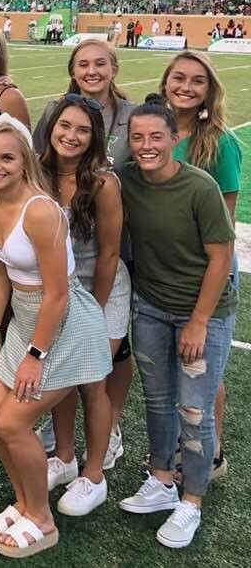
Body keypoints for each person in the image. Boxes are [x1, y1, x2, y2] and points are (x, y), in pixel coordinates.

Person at [0, 115, 111, 559]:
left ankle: (42, 519)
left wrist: (34, 354)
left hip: (62, 322)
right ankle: (23, 502)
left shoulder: (40, 210)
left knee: (14, 422)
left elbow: (57, 294)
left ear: (25, 161)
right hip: (22, 317)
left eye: (7, 158)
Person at [117, 102, 235, 550]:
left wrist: (199, 321)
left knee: (193, 410)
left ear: (172, 140)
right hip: (150, 306)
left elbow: (221, 256)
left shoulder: (199, 186)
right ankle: (162, 480)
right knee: (158, 401)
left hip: (201, 312)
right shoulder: (128, 179)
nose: (147, 146)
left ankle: (192, 501)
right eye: (138, 138)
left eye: (156, 137)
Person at [39, 96, 131, 515]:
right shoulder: (37, 172)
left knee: (91, 381)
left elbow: (110, 254)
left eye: (82, 130)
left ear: (94, 138)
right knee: (59, 376)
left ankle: (94, 476)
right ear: (52, 126)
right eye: (65, 126)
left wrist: (92, 308)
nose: (71, 136)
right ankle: (63, 456)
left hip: (100, 291)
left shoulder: (103, 183)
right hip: (57, 293)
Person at [159, 52, 241, 480]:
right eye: (178, 78)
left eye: (197, 81)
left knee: (203, 365)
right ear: (166, 81)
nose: (186, 87)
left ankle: (212, 452)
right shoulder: (156, 131)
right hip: (160, 268)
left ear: (210, 90)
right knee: (173, 367)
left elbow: (224, 227)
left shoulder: (221, 142)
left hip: (204, 268)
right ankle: (177, 445)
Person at [33, 40, 136, 168]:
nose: (91, 71)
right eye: (83, 65)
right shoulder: (53, 111)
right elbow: (35, 161)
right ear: (73, 73)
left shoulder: (133, 116)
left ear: (114, 70)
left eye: (100, 64)